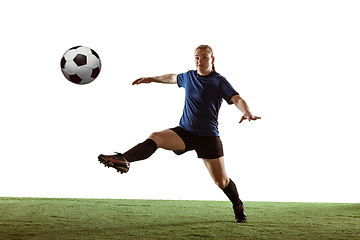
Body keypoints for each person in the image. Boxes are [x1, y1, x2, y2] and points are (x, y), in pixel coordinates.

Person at [98, 45, 261, 223]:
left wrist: (246, 112)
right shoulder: (189, 76)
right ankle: (124, 159)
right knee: (156, 137)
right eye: (197, 57)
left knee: (221, 182)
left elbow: (236, 98)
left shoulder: (218, 81)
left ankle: (237, 205)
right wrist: (151, 79)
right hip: (185, 132)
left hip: (208, 137)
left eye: (205, 57)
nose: (200, 61)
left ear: (212, 60)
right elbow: (171, 78)